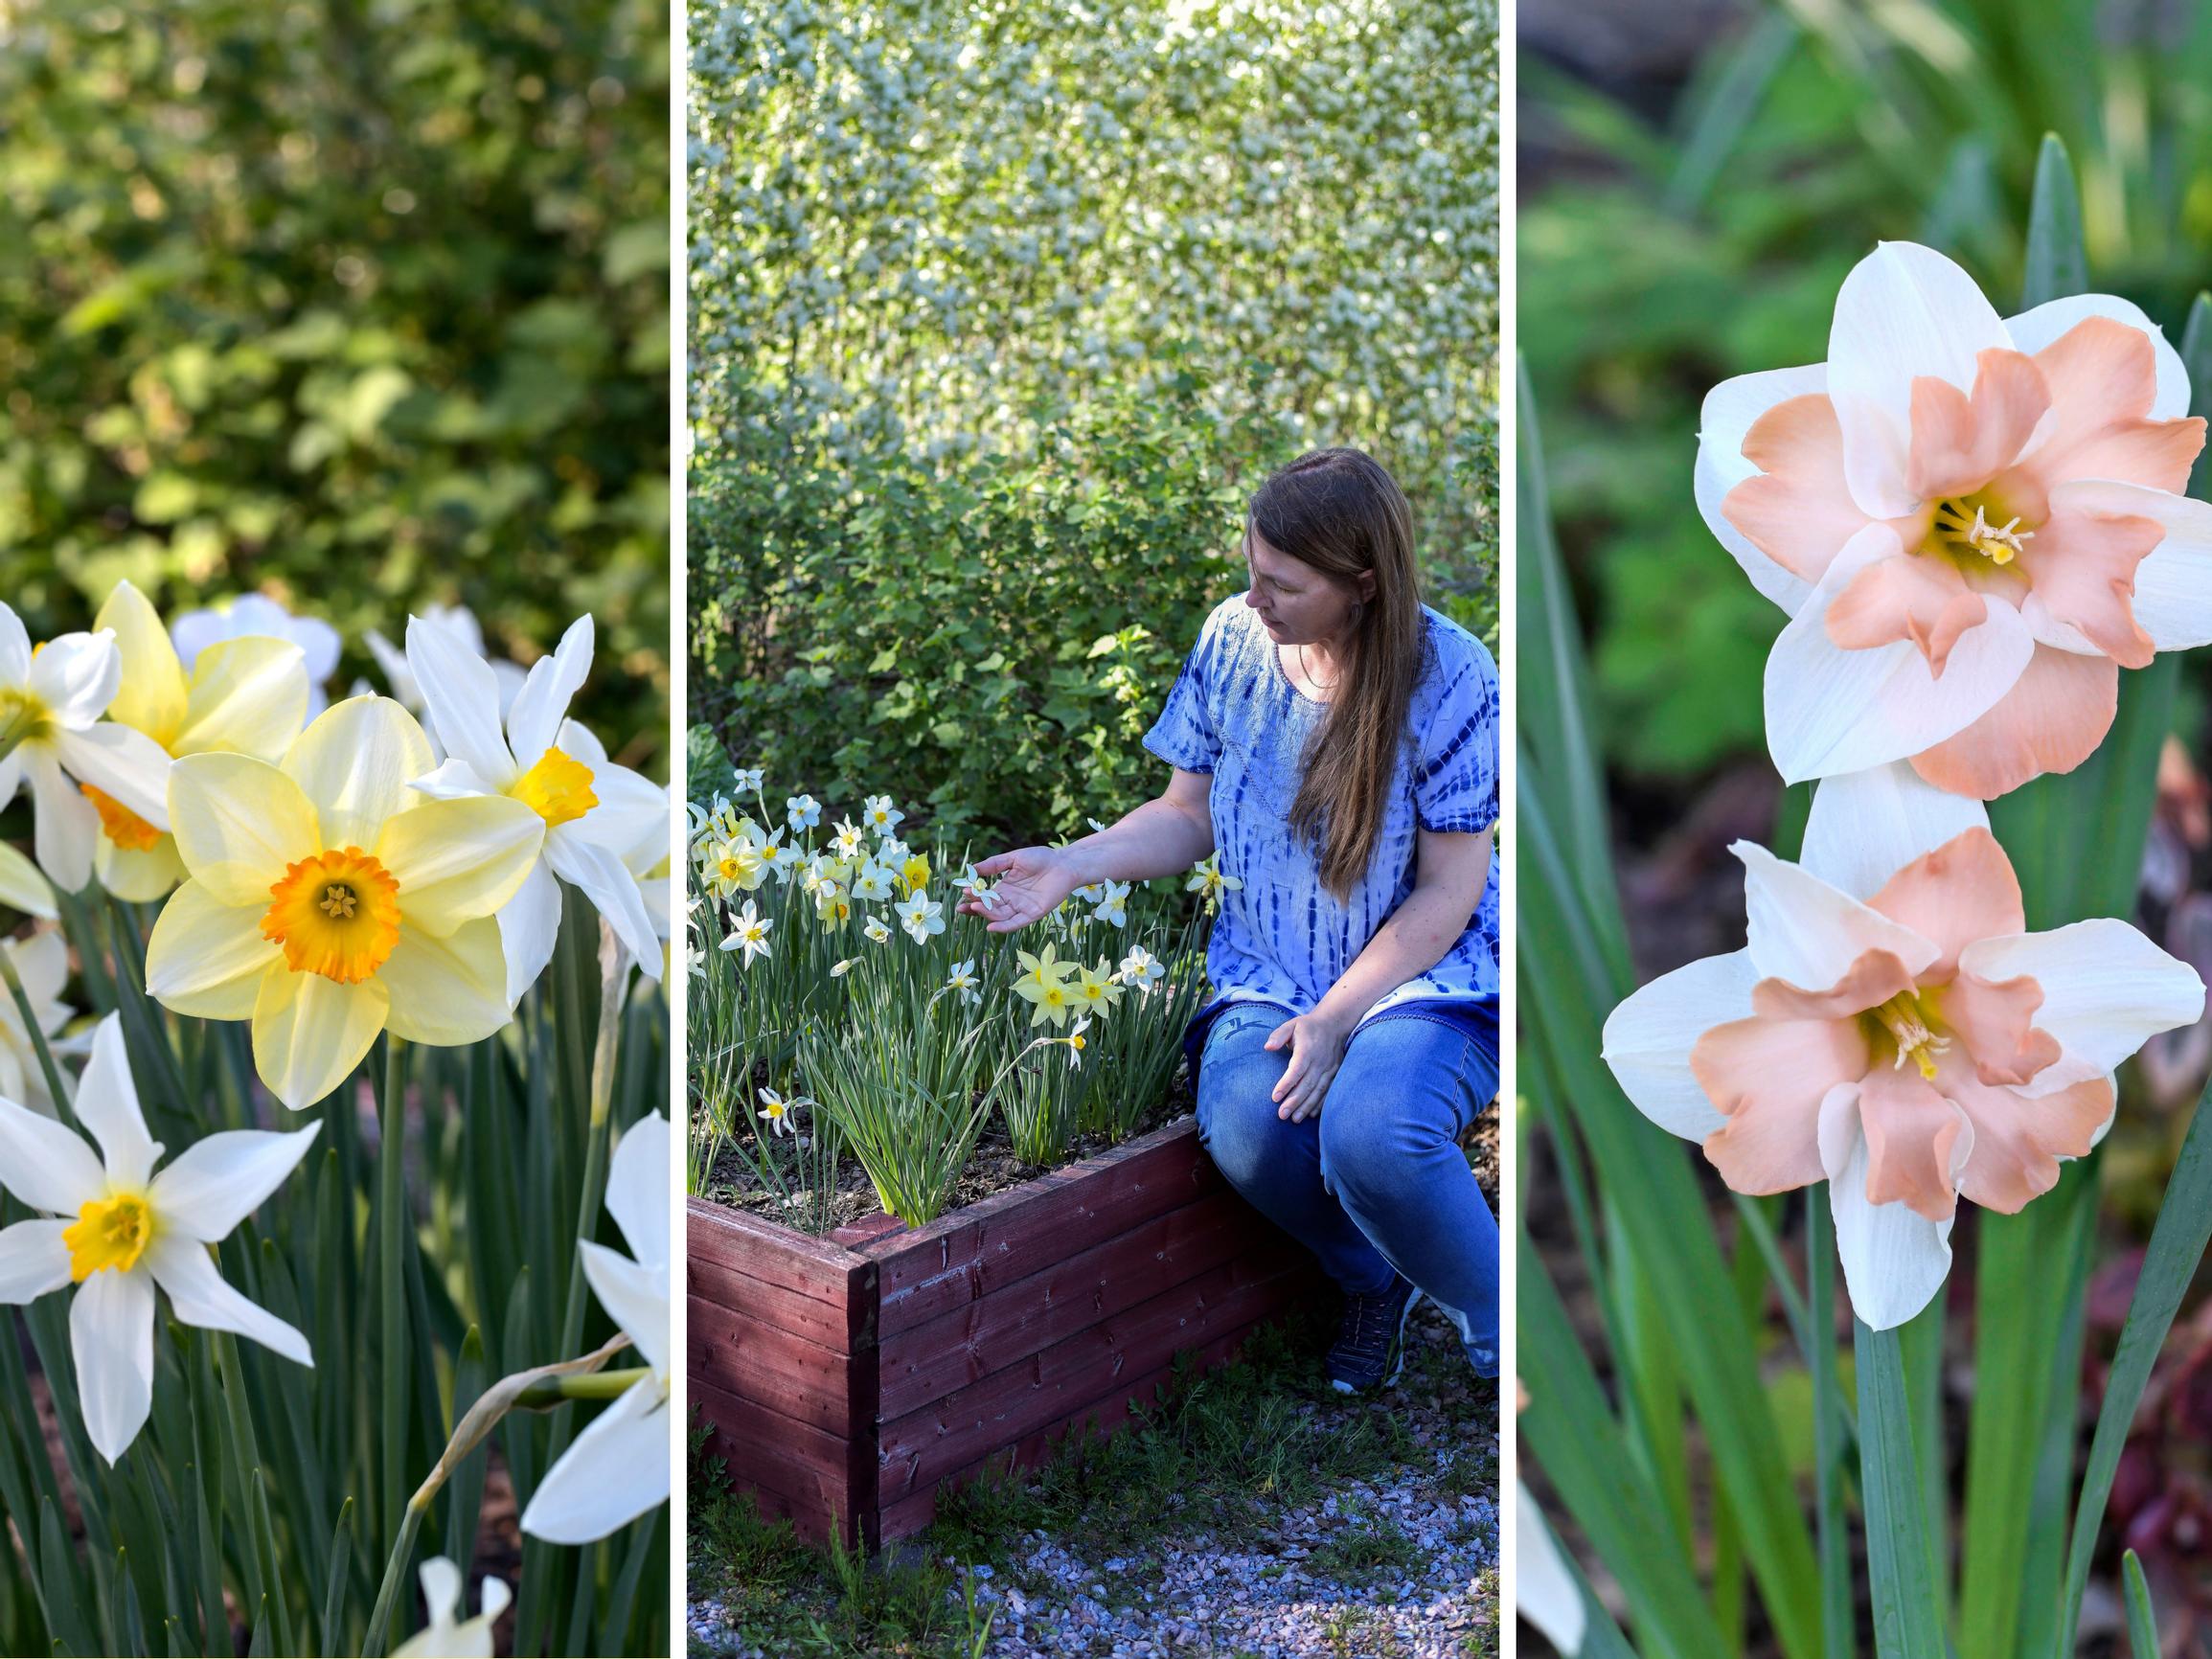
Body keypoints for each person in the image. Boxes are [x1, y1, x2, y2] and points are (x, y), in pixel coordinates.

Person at [956, 446, 1501, 1391]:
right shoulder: (1231, 642)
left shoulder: (1450, 674)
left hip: (1420, 980)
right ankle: (1368, 1276)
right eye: (1250, 572)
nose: (1255, 599)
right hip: (1271, 970)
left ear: (1360, 584)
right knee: (1248, 1129)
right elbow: (1186, 813)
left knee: (1372, 1133)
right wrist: (1073, 865)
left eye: (1281, 584)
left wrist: (1337, 1020)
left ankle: (1503, 1338)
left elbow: (1448, 892)